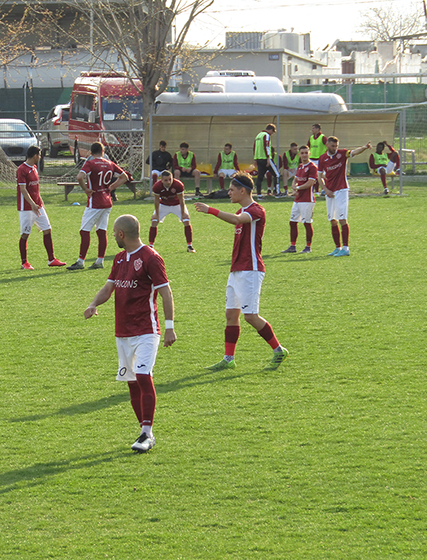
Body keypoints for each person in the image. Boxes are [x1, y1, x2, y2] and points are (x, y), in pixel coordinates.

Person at [83, 214, 176, 453]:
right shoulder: (120, 259)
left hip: (146, 329)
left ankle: (147, 433)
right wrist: (93, 303)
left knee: (143, 375)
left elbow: (166, 293)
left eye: (114, 233)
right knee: (132, 382)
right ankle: (144, 430)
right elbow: (109, 287)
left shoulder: (151, 258)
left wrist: (169, 327)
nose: (113, 236)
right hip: (123, 331)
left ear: (121, 234)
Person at [193, 173, 289, 371]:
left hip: (250, 269)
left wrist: (210, 210)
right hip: (237, 269)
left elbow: (237, 220)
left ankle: (279, 350)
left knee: (250, 316)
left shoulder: (256, 210)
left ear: (242, 190)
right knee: (231, 314)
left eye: (231, 189)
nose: (228, 193)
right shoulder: (241, 210)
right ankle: (229, 359)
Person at [67, 142, 128, 270]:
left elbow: (80, 177)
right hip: (107, 201)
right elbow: (124, 177)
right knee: (101, 231)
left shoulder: (90, 163)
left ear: (91, 152)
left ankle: (80, 261)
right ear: (103, 151)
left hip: (95, 202)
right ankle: (100, 261)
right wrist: (111, 187)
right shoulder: (109, 163)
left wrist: (86, 189)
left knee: (84, 231)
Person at [318, 137, 371, 257]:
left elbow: (354, 152)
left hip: (341, 190)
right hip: (330, 192)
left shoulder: (342, 154)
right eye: (333, 146)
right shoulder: (322, 158)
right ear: (327, 145)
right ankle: (338, 247)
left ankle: (346, 248)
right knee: (332, 220)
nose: (335, 148)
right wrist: (325, 189)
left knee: (342, 219)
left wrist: (364, 147)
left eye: (336, 146)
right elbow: (319, 176)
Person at [17, 146, 66, 270]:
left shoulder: (34, 168)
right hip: (26, 207)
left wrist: (40, 203)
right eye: (39, 155)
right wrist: (32, 204)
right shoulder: (22, 169)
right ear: (35, 156)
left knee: (47, 229)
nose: (40, 157)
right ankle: (24, 263)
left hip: (38, 206)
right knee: (25, 234)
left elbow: (36, 189)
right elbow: (23, 189)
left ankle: (51, 259)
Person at [281, 145, 318, 254]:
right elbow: (295, 179)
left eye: (306, 153)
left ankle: (308, 247)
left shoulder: (312, 167)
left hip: (307, 199)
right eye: (302, 153)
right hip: (298, 199)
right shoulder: (301, 166)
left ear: (309, 154)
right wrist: (294, 186)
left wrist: (297, 188)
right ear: (299, 154)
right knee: (292, 222)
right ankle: (293, 246)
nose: (304, 155)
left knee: (306, 223)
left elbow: (310, 183)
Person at [149, 170, 195, 252]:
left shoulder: (178, 185)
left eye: (170, 179)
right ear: (161, 180)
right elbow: (156, 200)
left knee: (186, 221)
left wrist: (183, 212)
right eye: (166, 180)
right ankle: (151, 246)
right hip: (164, 204)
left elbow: (181, 199)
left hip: (177, 204)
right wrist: (156, 213)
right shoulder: (157, 186)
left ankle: (189, 246)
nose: (168, 182)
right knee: (154, 222)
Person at [253, 124, 276, 197]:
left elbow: (254, 147)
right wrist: (268, 157)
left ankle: (259, 194)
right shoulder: (266, 135)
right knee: (277, 175)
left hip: (259, 158)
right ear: (271, 130)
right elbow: (266, 146)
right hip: (265, 158)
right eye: (273, 132)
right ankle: (276, 191)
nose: (272, 134)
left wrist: (255, 159)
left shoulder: (258, 135)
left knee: (260, 176)